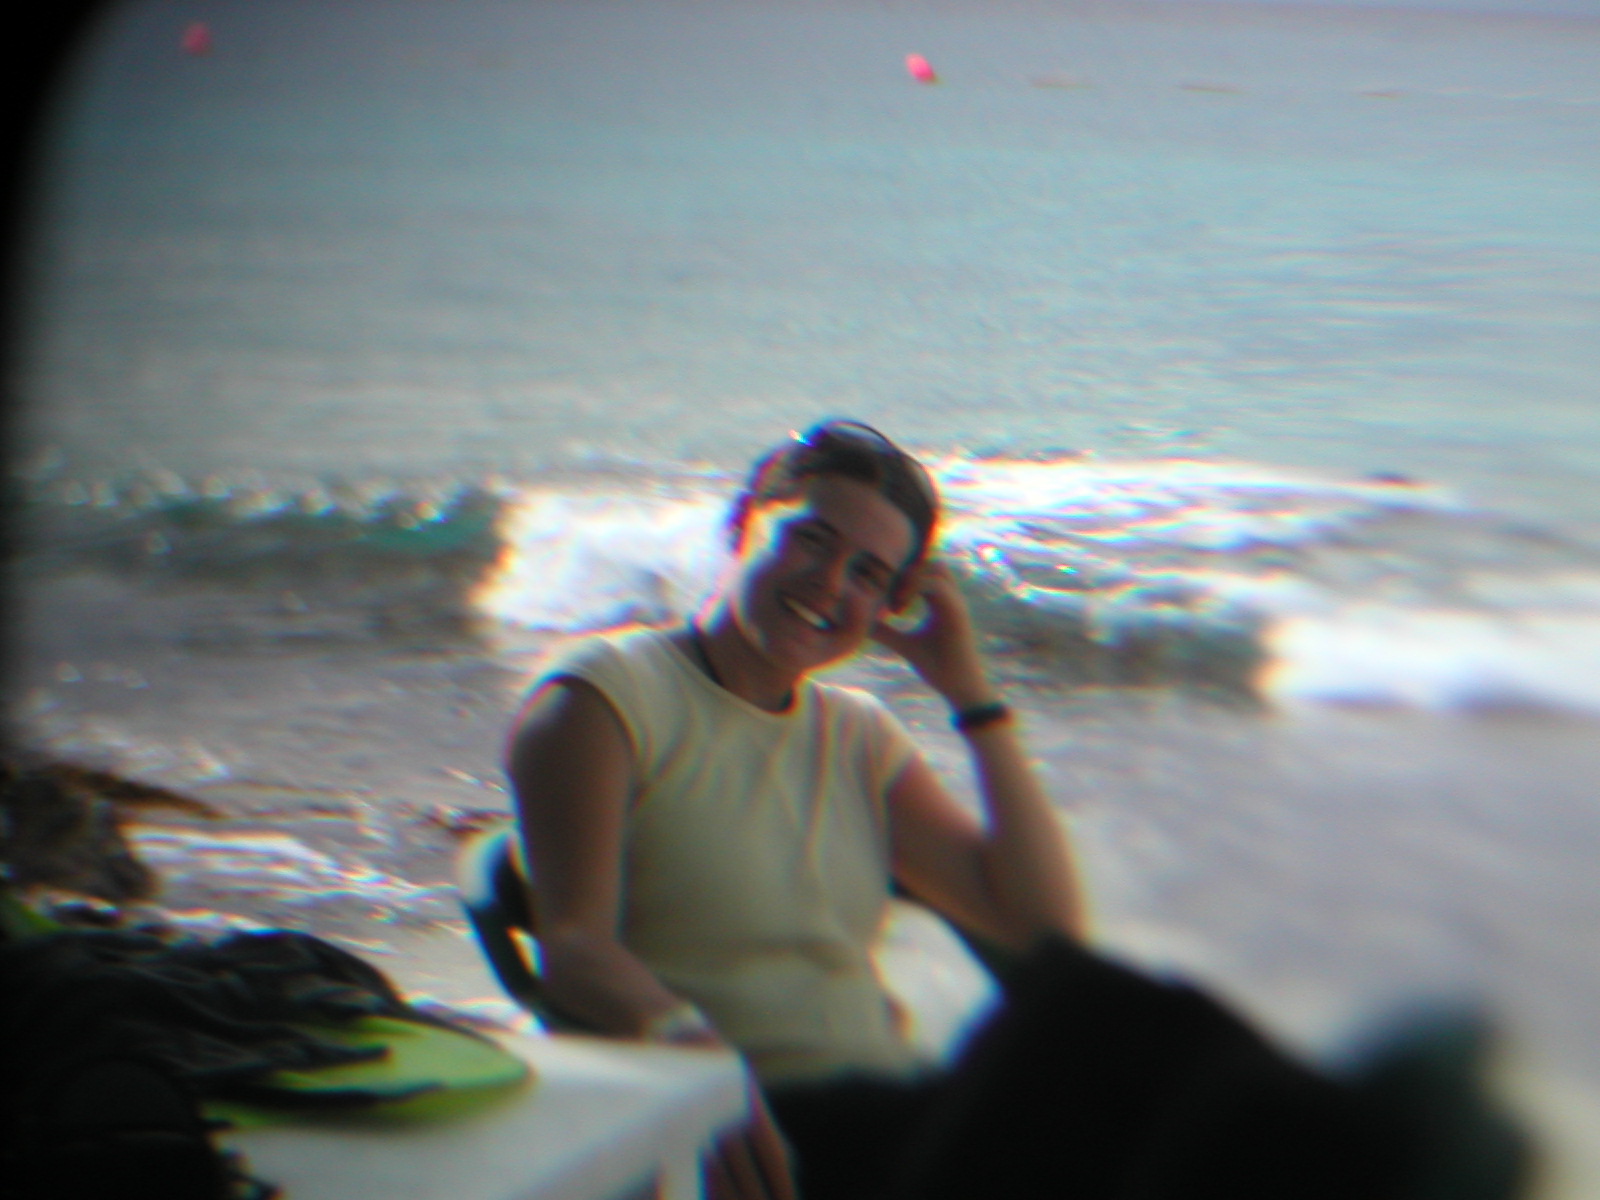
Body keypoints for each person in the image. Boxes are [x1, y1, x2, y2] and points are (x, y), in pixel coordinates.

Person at [503, 421, 1525, 1200]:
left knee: (1108, 1019)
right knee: (1097, 1030)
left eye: (870, 574)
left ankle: (1373, 1150)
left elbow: (1039, 930)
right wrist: (700, 1062)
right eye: (809, 540)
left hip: (886, 1111)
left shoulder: (853, 736)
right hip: (754, 1137)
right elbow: (577, 948)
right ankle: (1384, 1147)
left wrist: (970, 694)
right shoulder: (607, 696)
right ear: (741, 526)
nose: (831, 585)